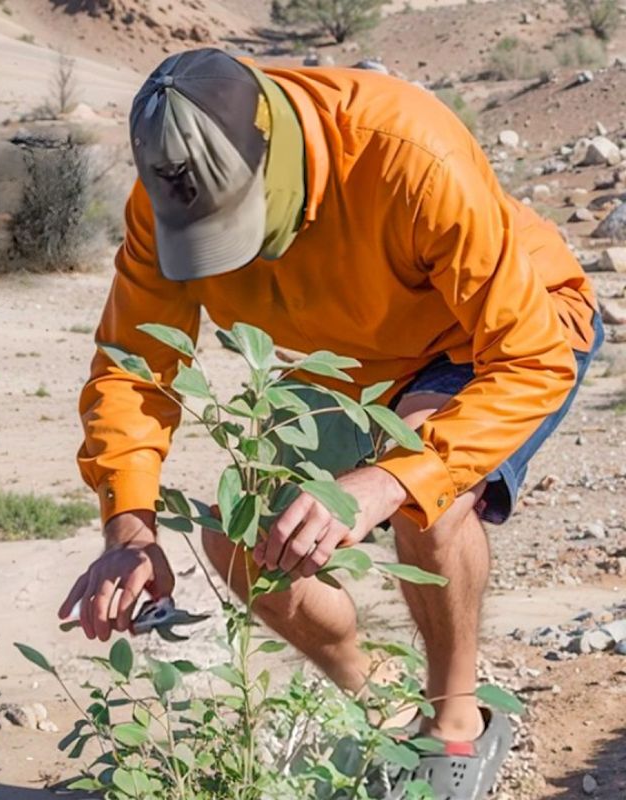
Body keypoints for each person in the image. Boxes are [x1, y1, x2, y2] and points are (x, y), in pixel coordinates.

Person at [59, 48, 601, 797]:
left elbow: (530, 356)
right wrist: (129, 530)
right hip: (354, 360)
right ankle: (382, 704)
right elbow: (132, 369)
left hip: (493, 333)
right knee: (238, 535)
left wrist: (386, 481)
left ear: (278, 160)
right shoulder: (168, 198)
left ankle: (456, 723)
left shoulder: (409, 156)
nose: (227, 256)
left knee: (427, 494)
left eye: (240, 228)